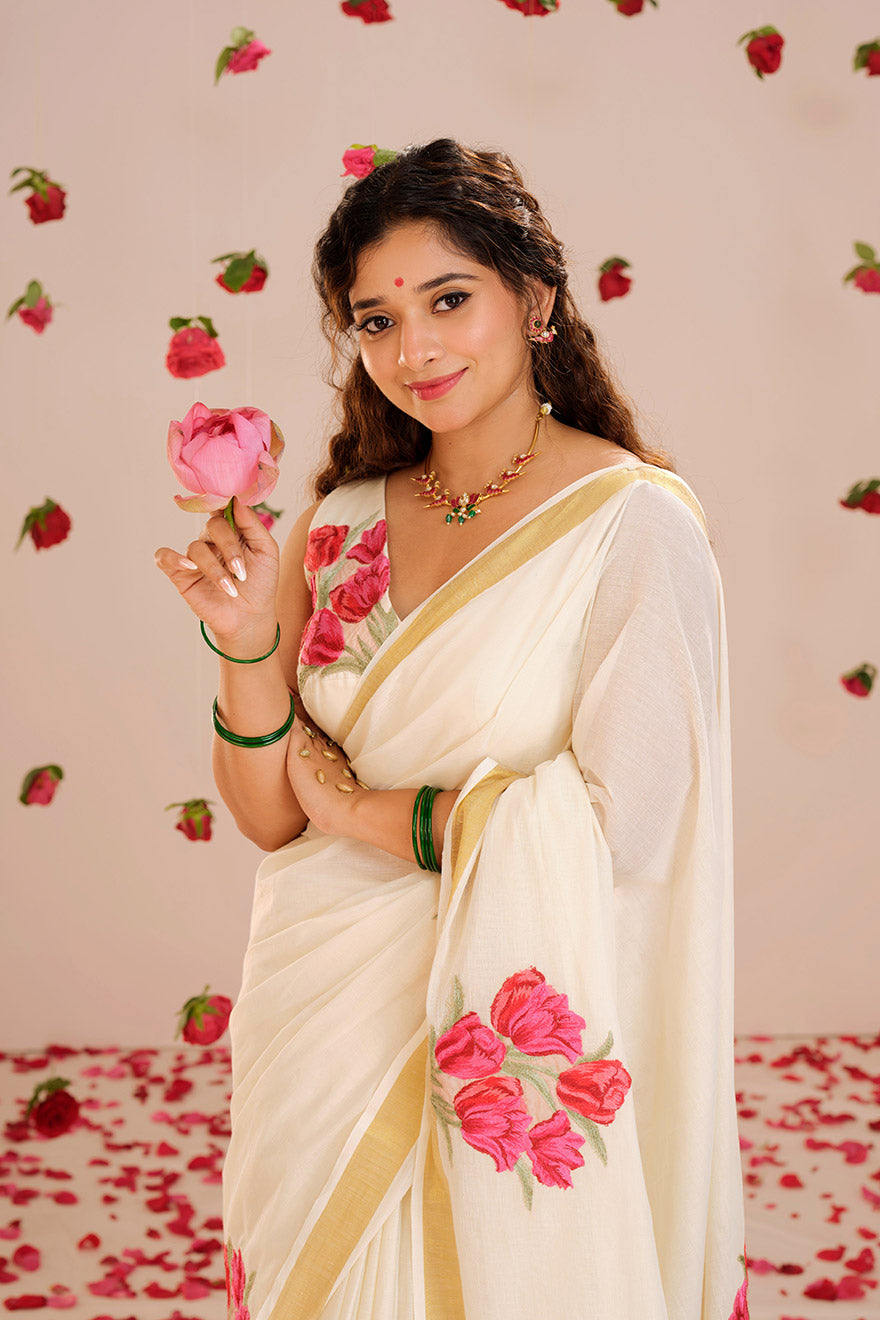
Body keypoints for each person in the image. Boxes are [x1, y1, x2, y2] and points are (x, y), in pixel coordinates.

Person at [155, 139, 747, 1320]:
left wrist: (357, 808)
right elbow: (271, 818)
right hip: (321, 1012)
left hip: (501, 1014)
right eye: (375, 321)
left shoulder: (629, 525)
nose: (412, 349)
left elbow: (620, 831)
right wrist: (242, 640)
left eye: (447, 299)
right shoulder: (337, 525)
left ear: (534, 301)